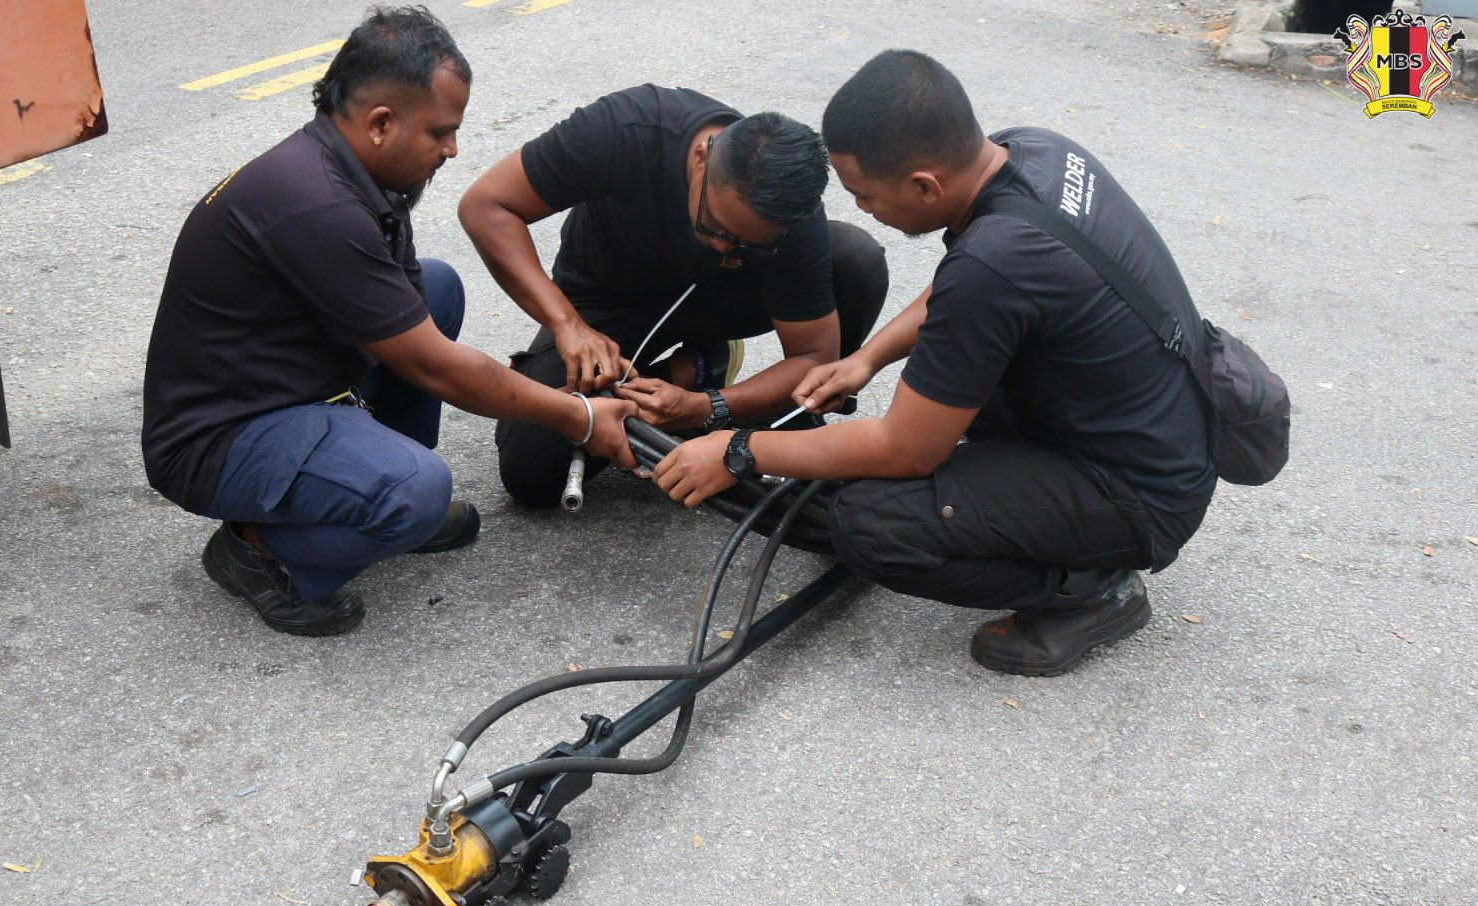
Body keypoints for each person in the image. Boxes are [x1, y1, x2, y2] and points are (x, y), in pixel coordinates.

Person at [650, 50, 1218, 677]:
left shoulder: (994, 265)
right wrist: (867, 358)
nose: (863, 211)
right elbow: (969, 281)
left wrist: (738, 449)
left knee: (869, 524)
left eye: (865, 195)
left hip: (1138, 496)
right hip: (1160, 436)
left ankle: (1090, 590)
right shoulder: (1034, 152)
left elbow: (905, 449)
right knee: (901, 434)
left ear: (925, 185)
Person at [141, 7, 634, 637]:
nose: (452, 149)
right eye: (441, 132)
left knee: (439, 287)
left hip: (283, 384)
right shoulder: (317, 205)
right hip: (216, 442)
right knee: (418, 490)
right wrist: (578, 416)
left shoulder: (352, 171)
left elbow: (414, 324)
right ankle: (258, 546)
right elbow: (434, 365)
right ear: (380, 124)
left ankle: (367, 488)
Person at [457, 83, 889, 508]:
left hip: (725, 300)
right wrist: (567, 325)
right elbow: (486, 205)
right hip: (609, 301)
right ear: (701, 158)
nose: (721, 246)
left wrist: (706, 407)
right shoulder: (627, 128)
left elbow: (814, 357)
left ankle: (775, 421)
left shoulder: (793, 211)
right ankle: (695, 367)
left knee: (856, 260)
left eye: (746, 243)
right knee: (531, 471)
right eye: (714, 224)